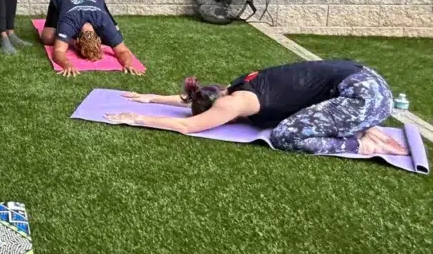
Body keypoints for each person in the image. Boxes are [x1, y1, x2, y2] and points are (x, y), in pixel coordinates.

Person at [110, 60, 406, 156]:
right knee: (306, 111)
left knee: (284, 136)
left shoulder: (232, 102)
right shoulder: (238, 85)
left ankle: (361, 142)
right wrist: (152, 97)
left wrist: (137, 118)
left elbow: (186, 125)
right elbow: (194, 99)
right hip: (369, 80)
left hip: (364, 98)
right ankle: (363, 123)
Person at [40, 0, 143, 76]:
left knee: (116, 35)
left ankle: (70, 38)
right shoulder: (68, 22)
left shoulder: (105, 23)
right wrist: (67, 64)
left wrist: (128, 64)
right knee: (47, 38)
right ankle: (68, 37)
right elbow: (58, 52)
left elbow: (123, 51)